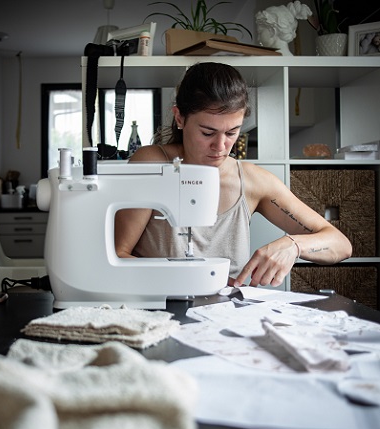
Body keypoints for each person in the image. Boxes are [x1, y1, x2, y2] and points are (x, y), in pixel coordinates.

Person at [114, 62, 352, 289]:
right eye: (207, 132)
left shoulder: (253, 181)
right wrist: (187, 278)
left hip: (226, 312)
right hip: (158, 306)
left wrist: (293, 245)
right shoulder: (152, 163)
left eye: (232, 132)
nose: (220, 146)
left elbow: (341, 245)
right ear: (179, 117)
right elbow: (117, 255)